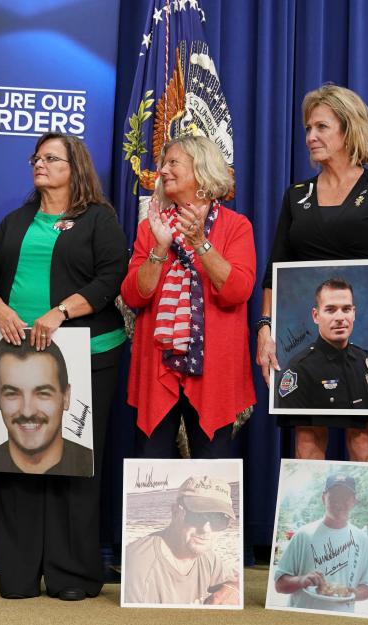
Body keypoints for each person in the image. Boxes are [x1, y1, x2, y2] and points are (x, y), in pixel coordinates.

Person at [0, 132, 127, 600]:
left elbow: (112, 276)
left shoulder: (98, 218)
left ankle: (72, 576)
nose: (40, 164)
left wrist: (61, 311)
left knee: (73, 464)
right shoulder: (15, 220)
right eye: (37, 158)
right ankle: (20, 574)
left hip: (87, 356)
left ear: (74, 167)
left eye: (51, 158)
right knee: (17, 462)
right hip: (16, 358)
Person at [257, 83, 368, 462]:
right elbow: (275, 271)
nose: (310, 137)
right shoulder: (296, 195)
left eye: (321, 127)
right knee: (307, 441)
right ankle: (305, 523)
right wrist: (264, 329)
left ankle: (363, 525)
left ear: (348, 130)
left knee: (363, 441)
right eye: (308, 129)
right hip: (304, 344)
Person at [122, 134, 255, 459]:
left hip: (214, 371)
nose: (163, 170)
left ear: (202, 170)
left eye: (172, 163)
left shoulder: (235, 227)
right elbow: (133, 296)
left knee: (212, 468)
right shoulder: (149, 229)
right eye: (163, 163)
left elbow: (237, 291)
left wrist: (200, 243)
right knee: (150, 469)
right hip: (158, 370)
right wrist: (160, 247)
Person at [123, 475, 240, 606]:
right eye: (197, 516)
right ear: (175, 512)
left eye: (219, 520)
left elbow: (236, 580)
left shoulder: (207, 557)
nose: (206, 529)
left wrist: (231, 589)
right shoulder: (138, 569)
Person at [0, 338, 92, 474]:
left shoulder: (87, 463)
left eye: (42, 394)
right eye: (12, 394)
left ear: (66, 396)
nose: (27, 412)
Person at [273, 473, 368, 612]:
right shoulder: (303, 535)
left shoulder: (362, 540)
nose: (339, 502)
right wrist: (301, 580)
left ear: (353, 501)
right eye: (334, 496)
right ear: (324, 498)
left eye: (345, 497)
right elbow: (279, 585)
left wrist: (350, 593)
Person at [275, 278, 368, 410]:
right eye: (331, 310)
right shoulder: (299, 371)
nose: (340, 318)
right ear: (316, 316)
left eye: (346, 309)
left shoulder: (367, 362)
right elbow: (306, 430)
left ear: (353, 313)